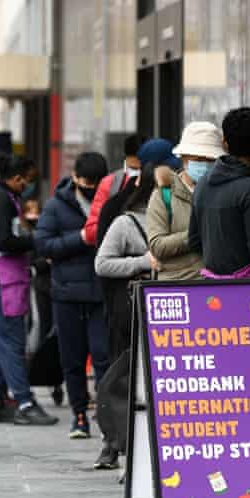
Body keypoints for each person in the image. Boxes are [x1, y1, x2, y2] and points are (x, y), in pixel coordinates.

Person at [0, 154, 57, 426]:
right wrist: (33, 240)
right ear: (17, 177)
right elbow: (4, 240)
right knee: (10, 340)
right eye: (26, 180)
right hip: (1, 281)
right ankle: (24, 402)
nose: (27, 186)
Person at [34, 152, 110, 439]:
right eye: (87, 182)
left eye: (97, 182)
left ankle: (106, 417)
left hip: (101, 292)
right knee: (73, 360)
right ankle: (79, 416)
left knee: (103, 358)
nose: (91, 187)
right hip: (66, 294)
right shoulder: (56, 205)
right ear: (75, 178)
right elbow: (43, 244)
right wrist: (79, 239)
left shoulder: (111, 203)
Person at [93, 164, 158, 469]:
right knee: (123, 377)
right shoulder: (126, 223)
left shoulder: (179, 221)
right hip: (131, 313)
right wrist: (142, 262)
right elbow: (102, 264)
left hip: (168, 316)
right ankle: (114, 442)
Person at [188, 107, 250, 278]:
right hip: (248, 292)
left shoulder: (203, 183)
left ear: (224, 143)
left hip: (213, 291)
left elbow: (194, 241)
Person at [146, 122, 224, 280]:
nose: (205, 165)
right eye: (199, 159)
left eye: (210, 160)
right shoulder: (164, 195)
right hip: (179, 290)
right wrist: (198, 232)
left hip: (218, 290)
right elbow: (157, 246)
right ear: (184, 158)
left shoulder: (225, 192)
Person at [96, 138, 180, 250]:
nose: (175, 175)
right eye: (171, 170)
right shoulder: (115, 206)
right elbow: (103, 262)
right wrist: (144, 261)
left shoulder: (179, 199)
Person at [82, 134, 147, 246]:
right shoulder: (111, 183)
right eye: (132, 169)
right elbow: (91, 232)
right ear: (125, 159)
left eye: (141, 169)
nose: (136, 174)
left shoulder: (160, 182)